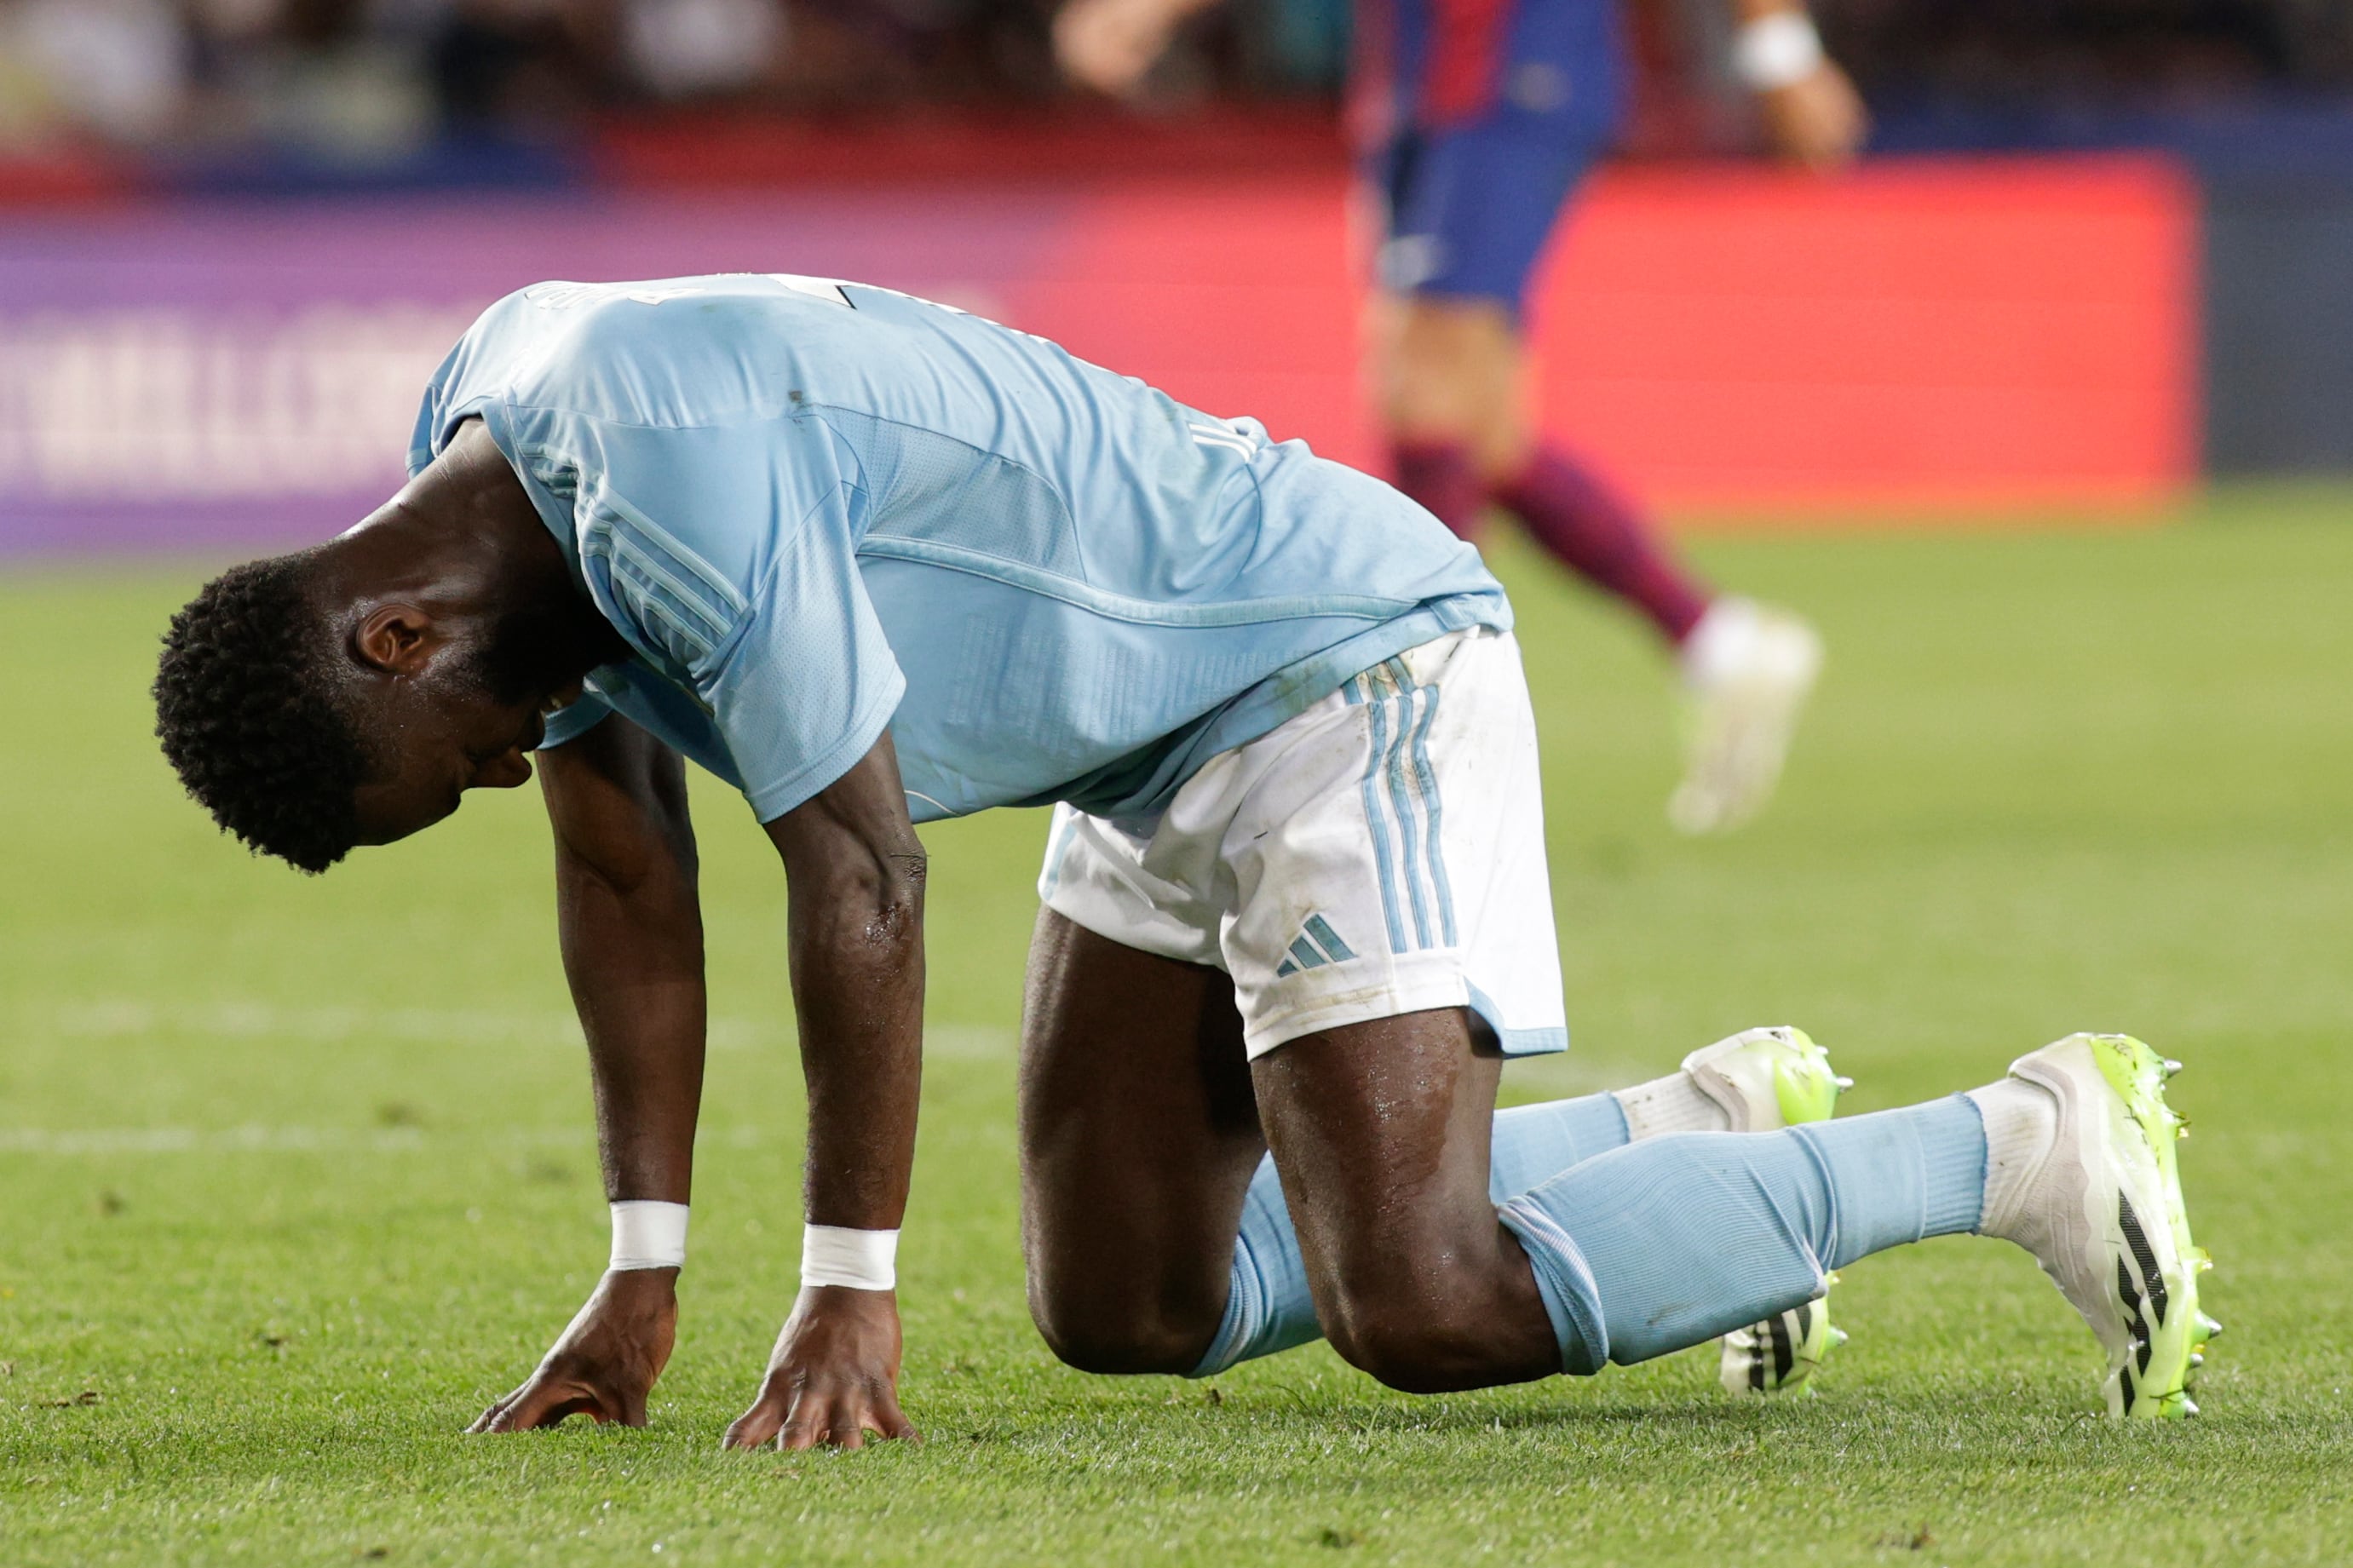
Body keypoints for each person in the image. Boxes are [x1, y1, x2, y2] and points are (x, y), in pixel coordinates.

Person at [152, 274, 2212, 1448]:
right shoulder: (489, 453)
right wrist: (638, 1275)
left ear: (391, 634)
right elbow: (626, 886)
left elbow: (857, 879)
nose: (506, 775)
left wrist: (846, 1299)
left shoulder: (645, 464)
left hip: (1328, 660)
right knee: (1128, 1304)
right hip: (1142, 748)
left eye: (452, 767)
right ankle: (1704, 1141)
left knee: (1414, 1297)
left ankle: (2017, 1139)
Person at [1057, 0, 1859, 833]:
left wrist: (1776, 48)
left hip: (1512, 67)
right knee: (1482, 432)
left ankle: (1412, 732)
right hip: (1416, 79)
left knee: (1424, 396)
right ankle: (1715, 641)